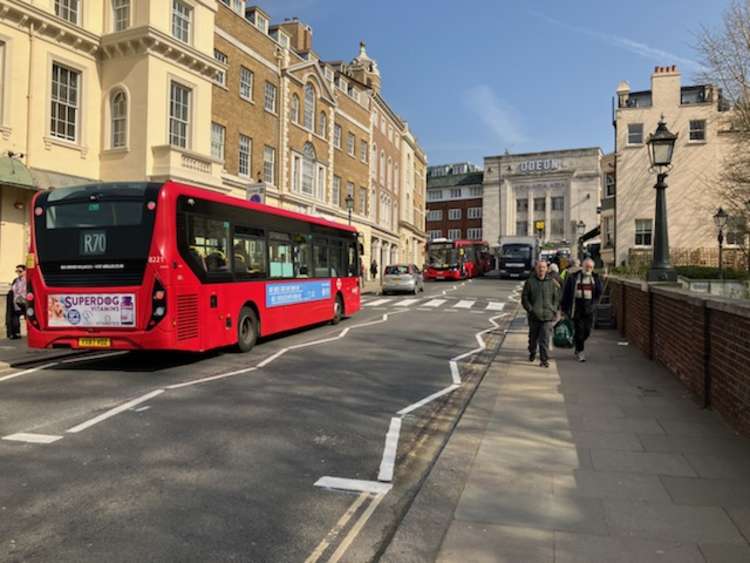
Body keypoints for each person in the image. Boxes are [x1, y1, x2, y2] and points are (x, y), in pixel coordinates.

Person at [561, 257, 603, 362]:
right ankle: (580, 352)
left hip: (589, 307)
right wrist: (564, 308)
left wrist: (595, 303)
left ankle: (577, 343)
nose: (589, 269)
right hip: (577, 307)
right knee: (579, 330)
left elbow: (599, 292)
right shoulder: (574, 277)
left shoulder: (595, 277)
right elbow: (566, 293)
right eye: (587, 267)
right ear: (582, 266)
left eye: (591, 267)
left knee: (587, 331)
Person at [521, 260, 561, 368]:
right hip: (534, 316)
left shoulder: (551, 282)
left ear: (547, 269)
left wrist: (554, 309)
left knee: (544, 339)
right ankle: (532, 351)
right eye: (539, 267)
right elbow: (524, 298)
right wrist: (530, 309)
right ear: (536, 269)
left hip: (547, 316)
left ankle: (544, 360)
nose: (541, 269)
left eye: (543, 267)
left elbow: (556, 297)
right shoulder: (530, 282)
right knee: (533, 339)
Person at [6, 265, 26, 339]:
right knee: (15, 316)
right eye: (17, 271)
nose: (18, 273)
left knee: (29, 317)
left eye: (20, 271)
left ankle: (32, 333)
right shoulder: (15, 280)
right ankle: (16, 333)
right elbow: (12, 289)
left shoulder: (28, 279)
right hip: (16, 302)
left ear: (25, 271)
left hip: (26, 302)